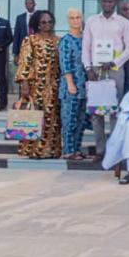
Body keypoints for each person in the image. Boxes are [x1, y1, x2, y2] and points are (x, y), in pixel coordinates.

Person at [82, 0, 129, 162]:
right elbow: (86, 47)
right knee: (96, 112)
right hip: (95, 70)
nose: (107, 4)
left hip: (115, 69)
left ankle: (114, 150)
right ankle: (100, 150)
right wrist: (88, 68)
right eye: (104, 1)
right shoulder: (91, 21)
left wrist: (114, 62)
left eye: (110, 1)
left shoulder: (124, 22)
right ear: (101, 2)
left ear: (115, 2)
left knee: (114, 111)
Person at [16, 10, 61, 159]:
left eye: (50, 21)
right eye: (44, 22)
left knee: (52, 119)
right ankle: (34, 151)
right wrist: (24, 84)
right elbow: (25, 62)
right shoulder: (30, 40)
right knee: (35, 117)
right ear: (38, 24)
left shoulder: (59, 40)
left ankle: (51, 151)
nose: (47, 24)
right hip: (36, 86)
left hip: (54, 85)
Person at [58, 9, 88, 160]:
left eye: (78, 17)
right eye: (72, 18)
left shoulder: (86, 38)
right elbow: (65, 64)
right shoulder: (65, 40)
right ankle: (68, 151)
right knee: (69, 120)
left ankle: (77, 149)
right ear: (68, 20)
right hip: (71, 87)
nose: (75, 20)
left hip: (85, 87)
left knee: (81, 120)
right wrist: (70, 83)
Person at [12, 0, 36, 65]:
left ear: (34, 4)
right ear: (25, 5)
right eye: (27, 3)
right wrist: (15, 54)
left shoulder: (39, 16)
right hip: (23, 48)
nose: (29, 5)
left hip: (36, 47)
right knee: (24, 68)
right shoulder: (20, 18)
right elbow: (16, 36)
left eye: (30, 3)